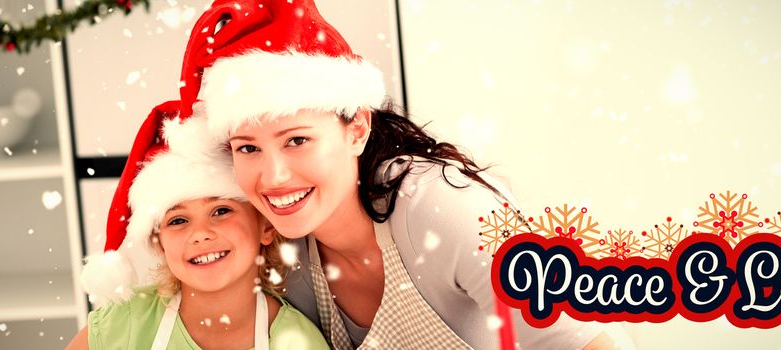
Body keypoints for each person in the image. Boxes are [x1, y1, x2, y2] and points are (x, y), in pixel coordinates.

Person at [171, 0, 622, 349]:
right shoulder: (278, 248)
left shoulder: (444, 209)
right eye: (248, 148)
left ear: (357, 130)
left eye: (297, 140)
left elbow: (584, 343)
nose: (273, 176)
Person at [66, 100, 328, 350]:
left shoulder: (296, 341)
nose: (200, 234)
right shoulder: (121, 325)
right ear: (159, 242)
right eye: (178, 220)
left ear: (266, 227)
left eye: (221, 211)